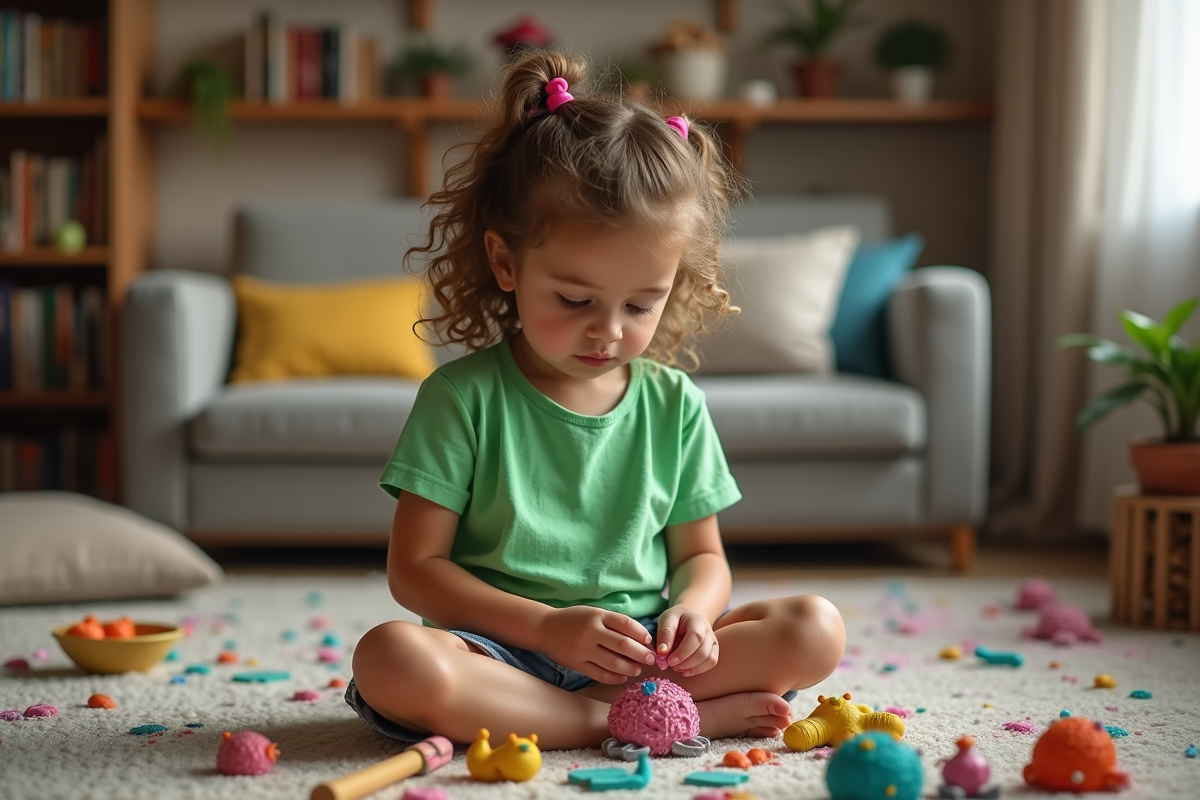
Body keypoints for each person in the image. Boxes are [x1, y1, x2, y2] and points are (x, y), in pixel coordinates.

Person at [348, 50, 846, 750]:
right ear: (505, 262)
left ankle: (615, 707)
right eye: (575, 299)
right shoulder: (460, 398)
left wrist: (695, 615)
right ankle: (619, 719)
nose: (608, 331)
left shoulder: (673, 404)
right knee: (389, 659)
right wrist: (546, 628)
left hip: (643, 654)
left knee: (816, 627)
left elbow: (703, 558)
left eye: (642, 303)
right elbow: (416, 572)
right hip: (501, 653)